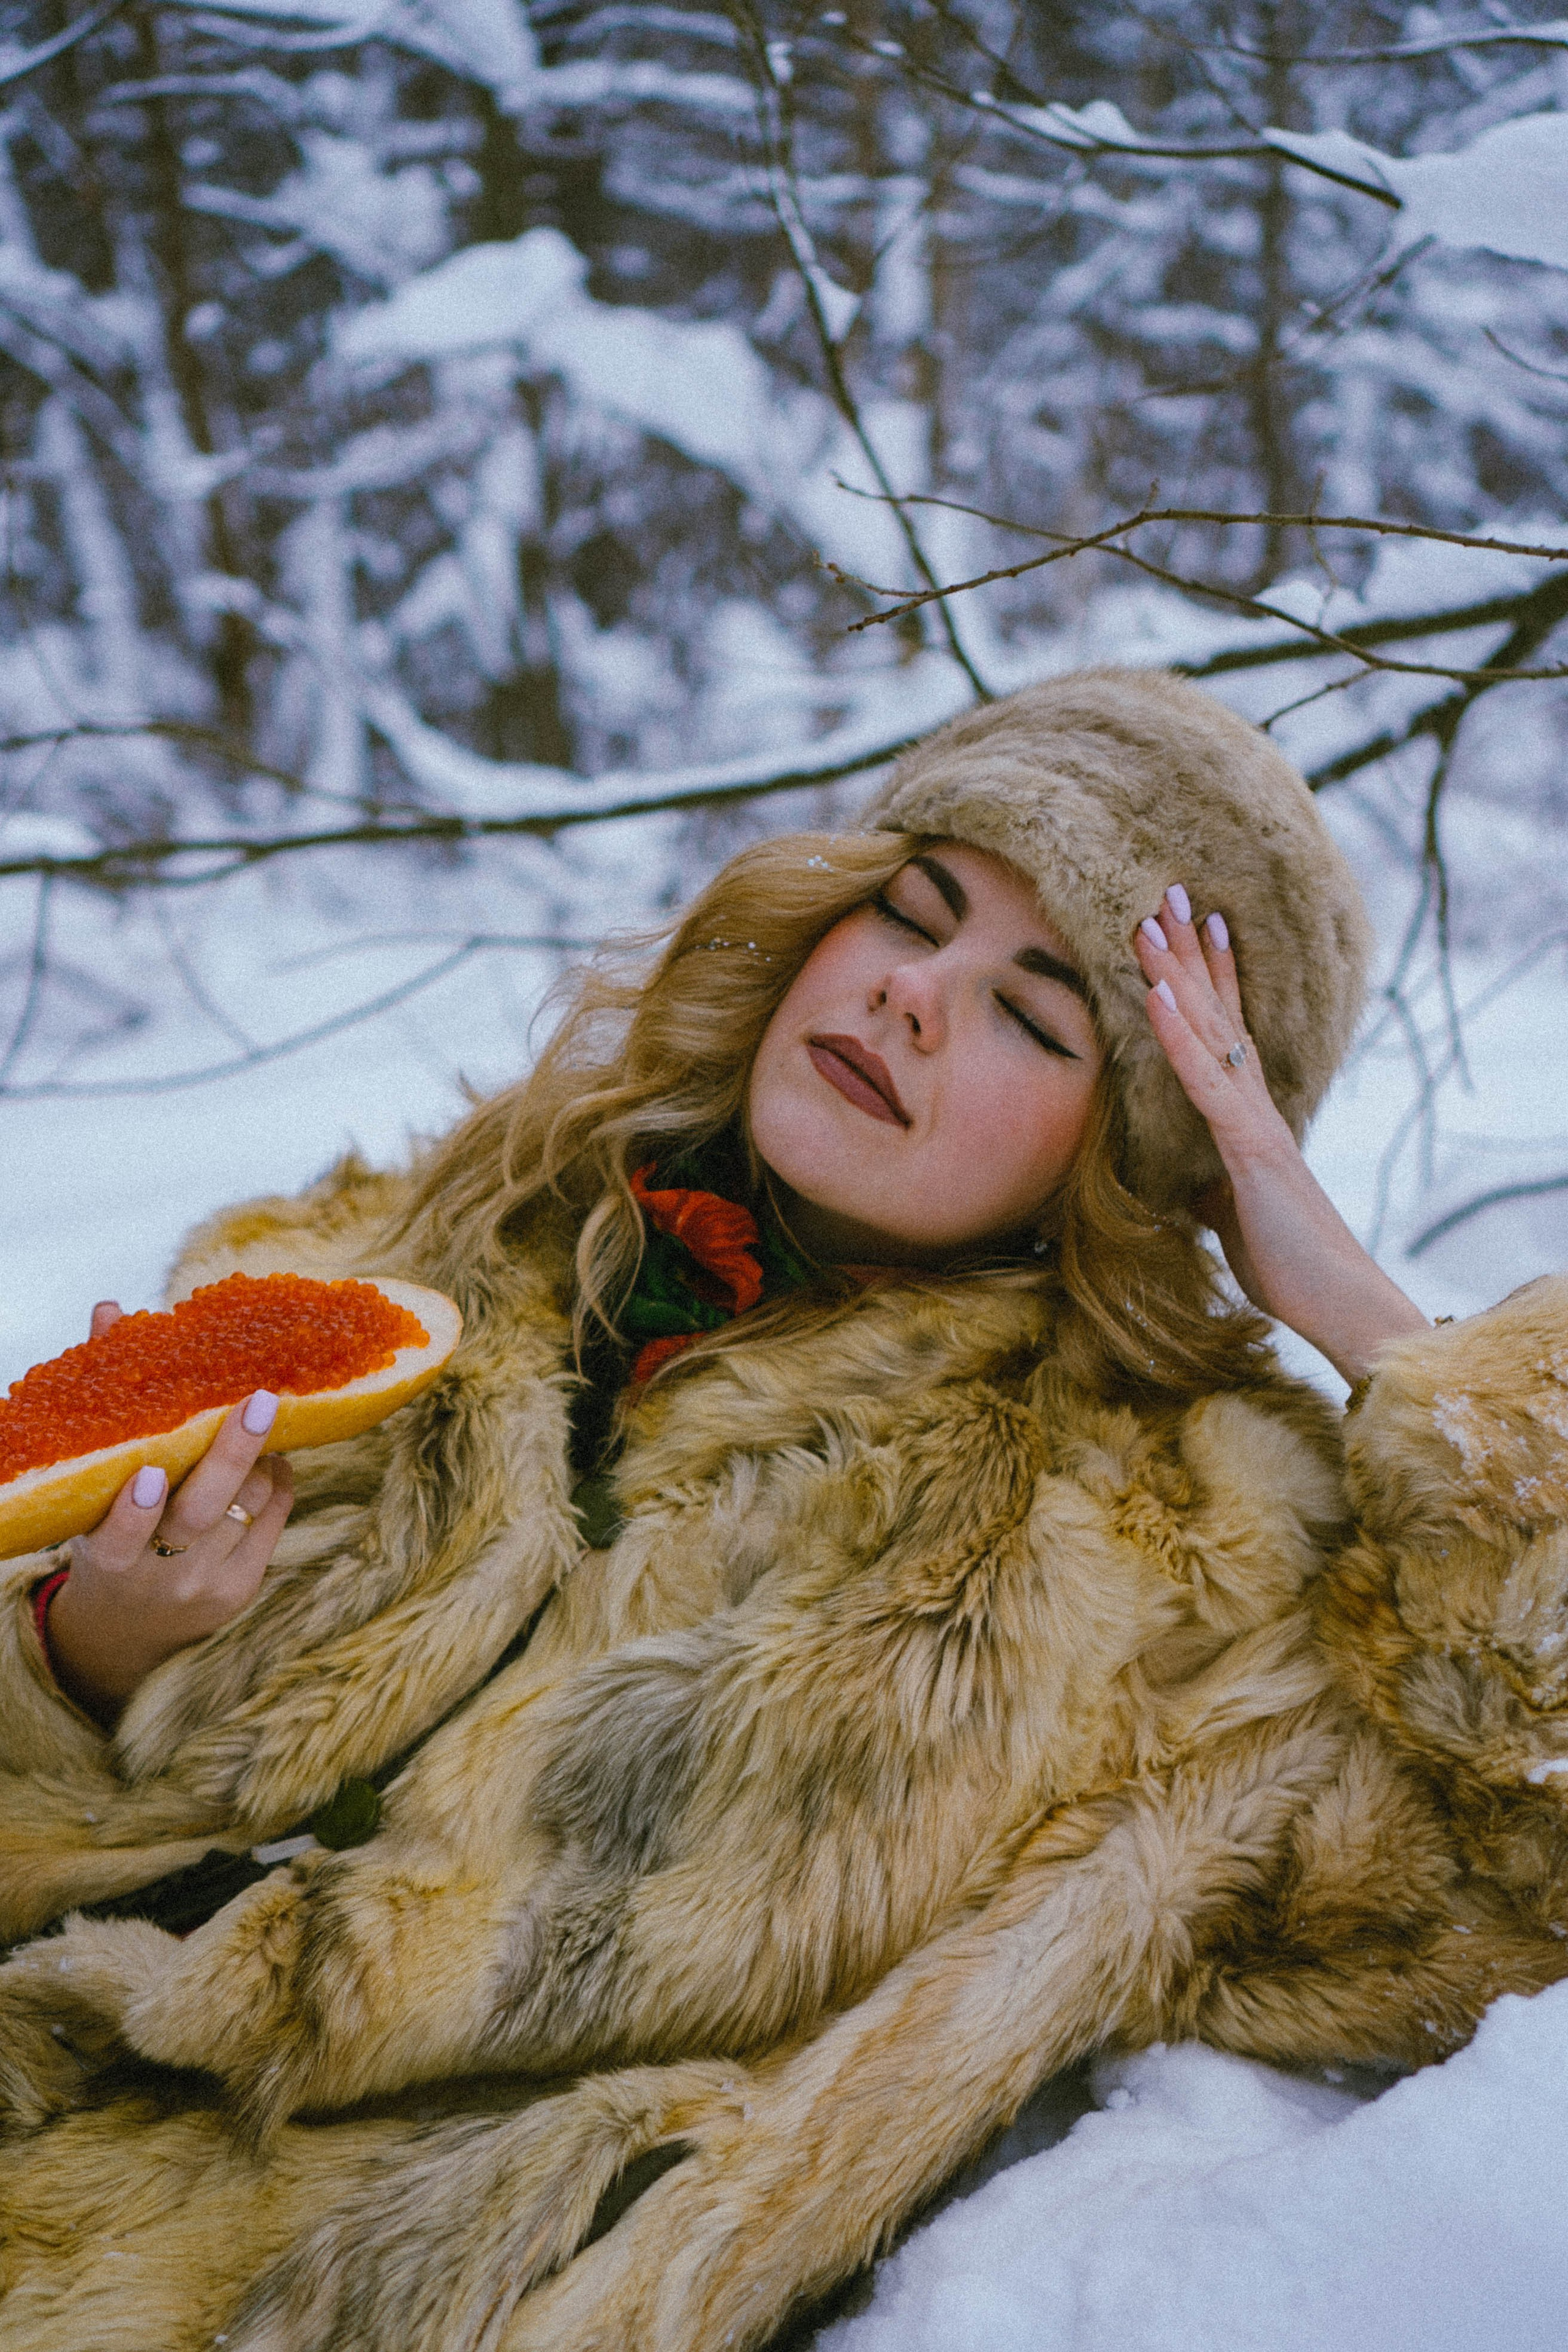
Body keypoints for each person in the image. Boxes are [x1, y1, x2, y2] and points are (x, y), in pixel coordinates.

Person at [1, 668, 1564, 2352]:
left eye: (1039, 1017)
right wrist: (79, 1661)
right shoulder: (415, 1244)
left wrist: (1388, 1343)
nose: (912, 999)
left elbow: (1516, 1884)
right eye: (912, 913)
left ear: (1130, 1149)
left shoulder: (1164, 1547)